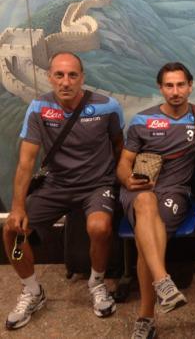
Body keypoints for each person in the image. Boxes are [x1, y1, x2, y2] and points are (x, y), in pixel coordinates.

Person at [3, 52, 124, 330]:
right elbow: (26, 162)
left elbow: (119, 146)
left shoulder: (107, 106)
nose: (66, 82)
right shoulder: (39, 108)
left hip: (97, 185)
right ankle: (32, 289)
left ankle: (97, 283)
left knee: (99, 227)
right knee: (12, 232)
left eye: (72, 75)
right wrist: (18, 207)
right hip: (56, 185)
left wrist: (119, 183)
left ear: (82, 78)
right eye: (59, 75)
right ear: (49, 77)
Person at [117, 62, 195, 339]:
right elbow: (124, 163)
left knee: (145, 240)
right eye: (169, 85)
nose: (175, 91)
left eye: (180, 85)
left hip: (175, 192)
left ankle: (146, 318)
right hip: (139, 189)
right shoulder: (142, 121)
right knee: (145, 202)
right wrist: (127, 179)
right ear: (160, 88)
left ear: (190, 86)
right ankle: (163, 281)